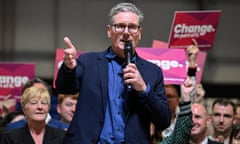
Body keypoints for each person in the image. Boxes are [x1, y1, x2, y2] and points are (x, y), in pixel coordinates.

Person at [56, 2, 171, 143]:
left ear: (139, 33)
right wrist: (68, 68)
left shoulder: (152, 72)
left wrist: (143, 89)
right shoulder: (88, 61)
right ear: (109, 31)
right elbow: (65, 88)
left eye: (132, 27)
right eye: (120, 26)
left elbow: (164, 120)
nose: (126, 32)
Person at [1, 86, 65, 144]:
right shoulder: (10, 137)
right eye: (34, 103)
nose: (40, 107)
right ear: (24, 108)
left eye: (44, 103)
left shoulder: (62, 136)